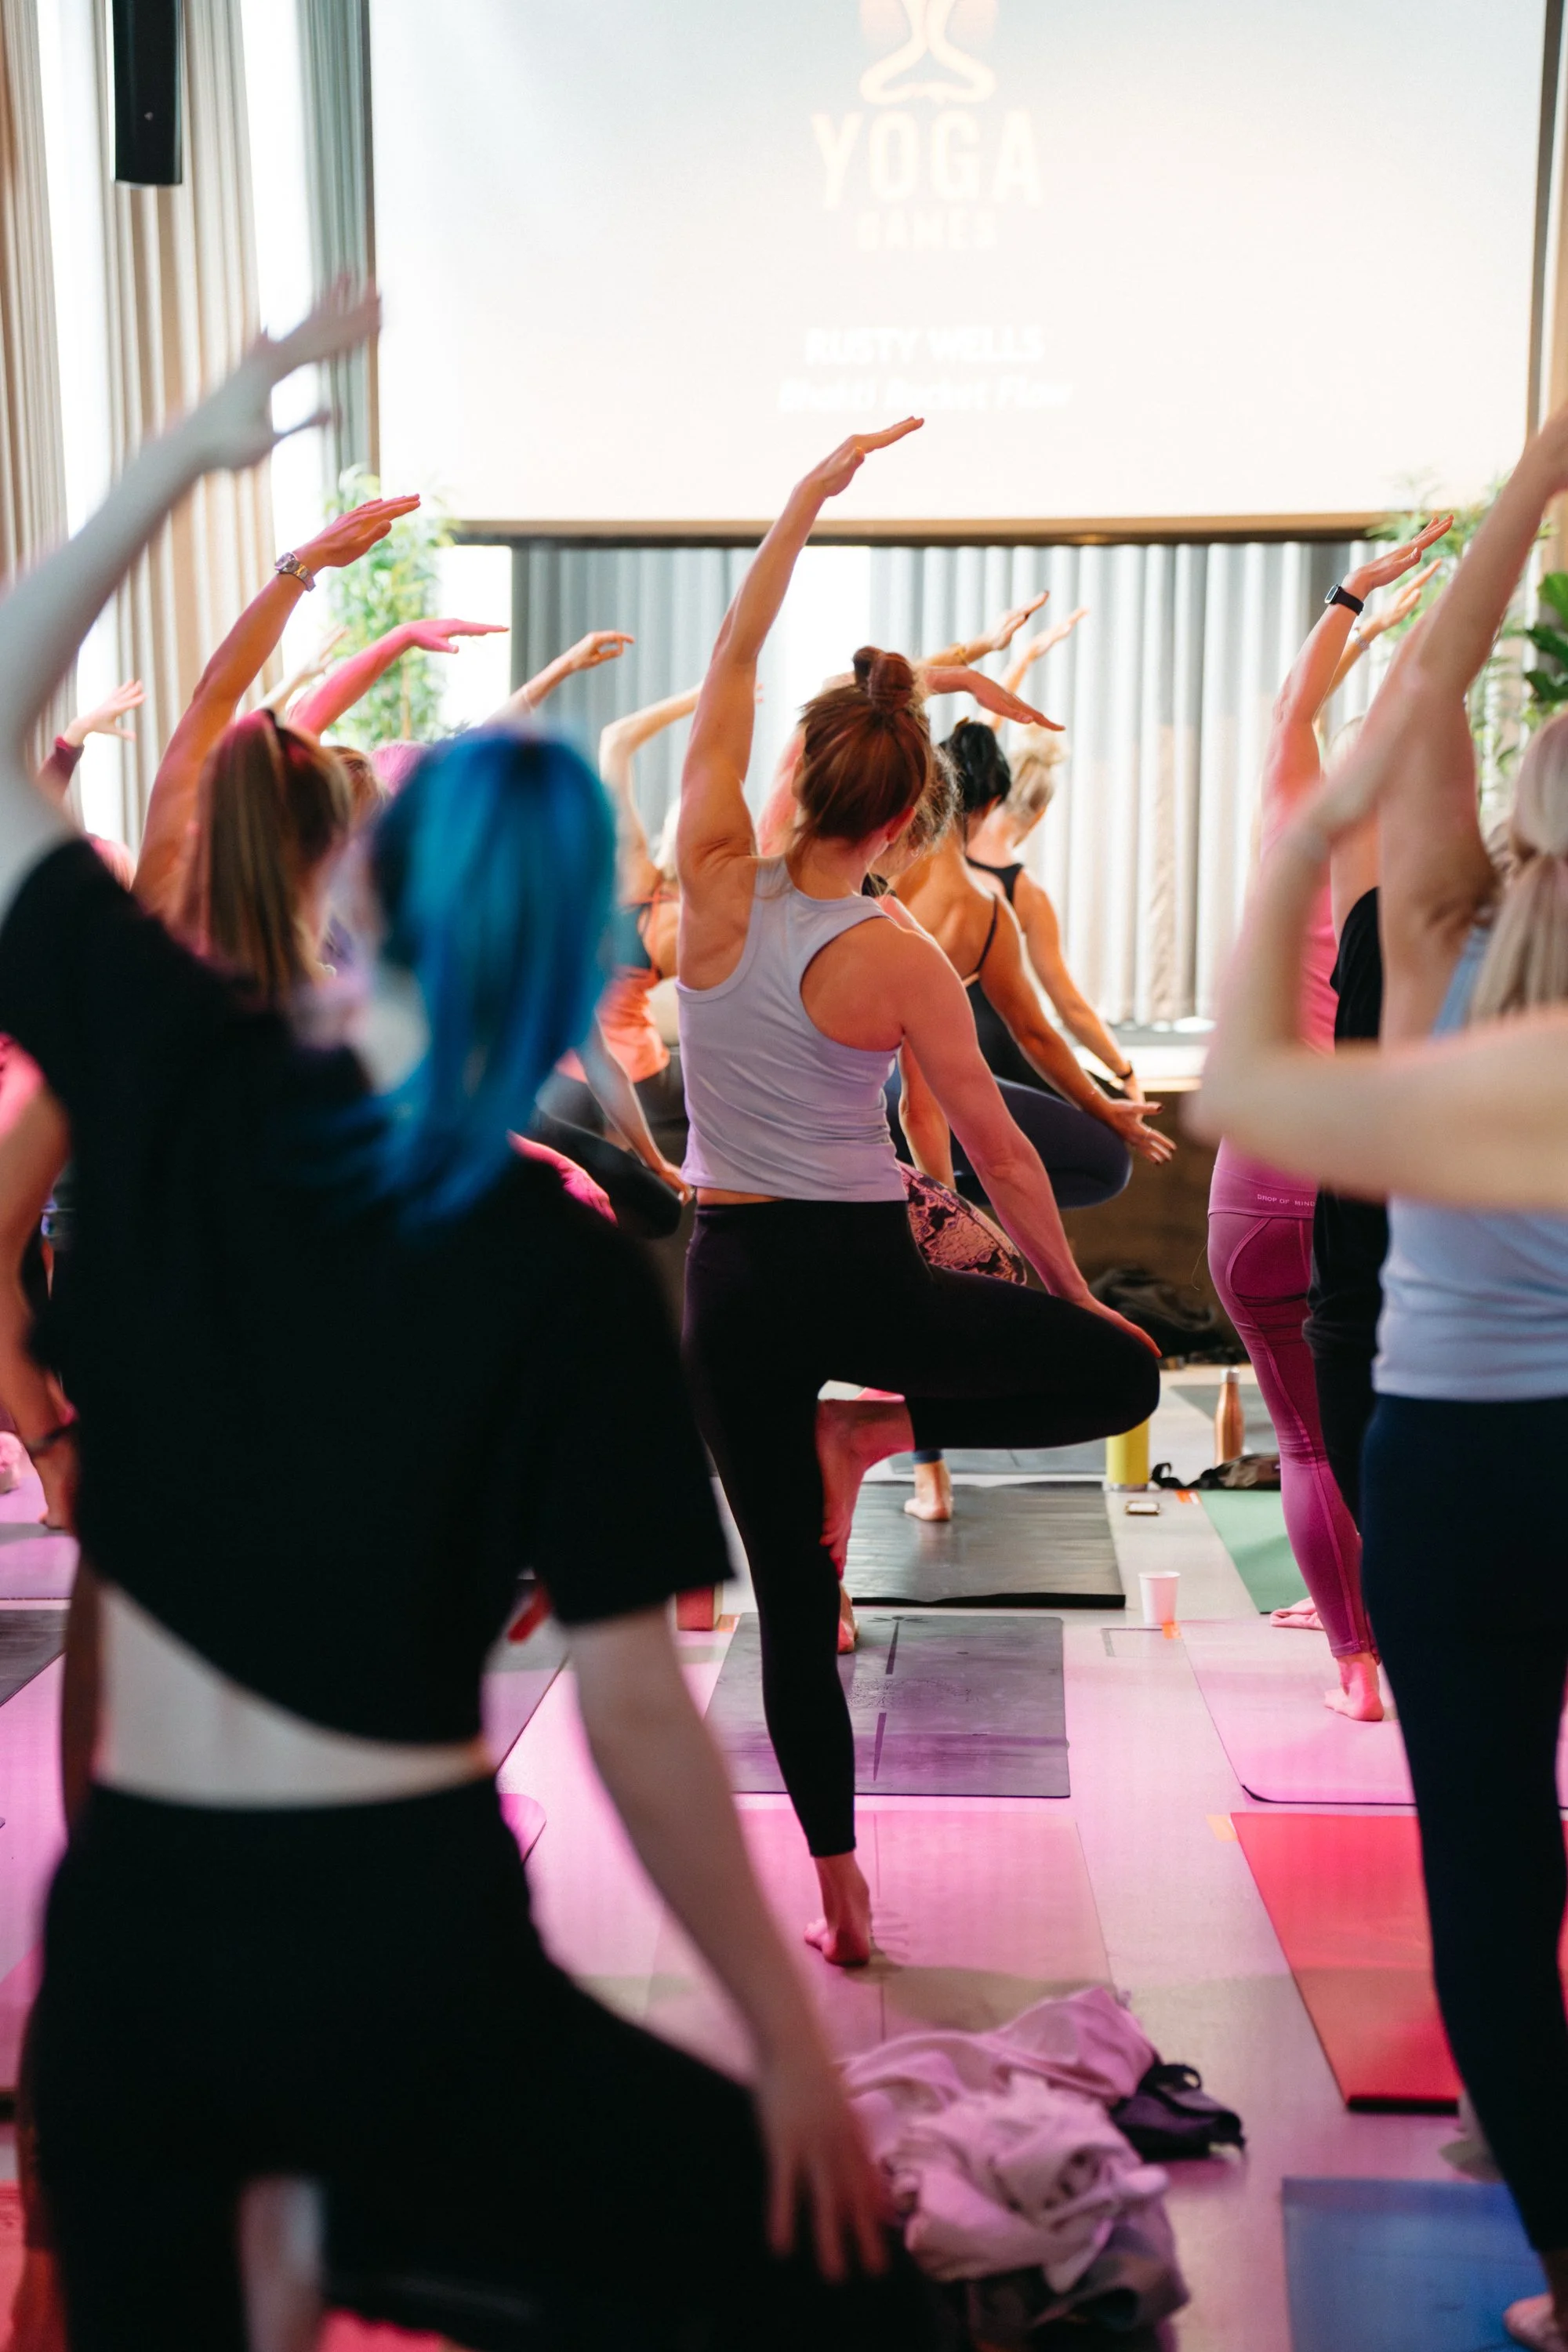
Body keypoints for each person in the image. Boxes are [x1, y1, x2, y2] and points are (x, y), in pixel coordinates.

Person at [0, 294, 950, 2352]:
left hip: (140, 1957)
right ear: (577, 977)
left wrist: (197, 456)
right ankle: (373, 2232)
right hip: (401, 1967)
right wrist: (789, 2042)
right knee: (855, 2313)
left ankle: (330, 2244)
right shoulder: (566, 1262)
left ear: (365, 896)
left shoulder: (167, 1078)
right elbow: (628, 1719)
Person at [676, 417, 1161, 1969]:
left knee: (782, 1604)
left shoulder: (704, 877)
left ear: (801, 778)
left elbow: (735, 659)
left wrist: (804, 502)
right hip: (861, 1274)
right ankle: (882, 1426)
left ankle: (837, 1899)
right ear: (903, 820)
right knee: (1124, 1374)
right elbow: (1004, 1152)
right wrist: (1068, 1293)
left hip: (728, 1278)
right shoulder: (891, 951)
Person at [1192, 405, 1568, 2352]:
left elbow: (1419, 702)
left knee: (1485, 1847)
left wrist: (1542, 471)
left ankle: (1560, 2242)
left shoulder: (1441, 952)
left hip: (1458, 1464)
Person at [1203, 518, 1448, 1720]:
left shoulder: (1295, 827)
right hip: (1360, 1181)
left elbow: (1299, 712)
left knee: (1299, 1437)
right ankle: (1398, 1633)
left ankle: (1355, 1664)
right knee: (1366, 1422)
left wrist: (1357, 596)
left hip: (1260, 1183)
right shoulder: (1421, 891)